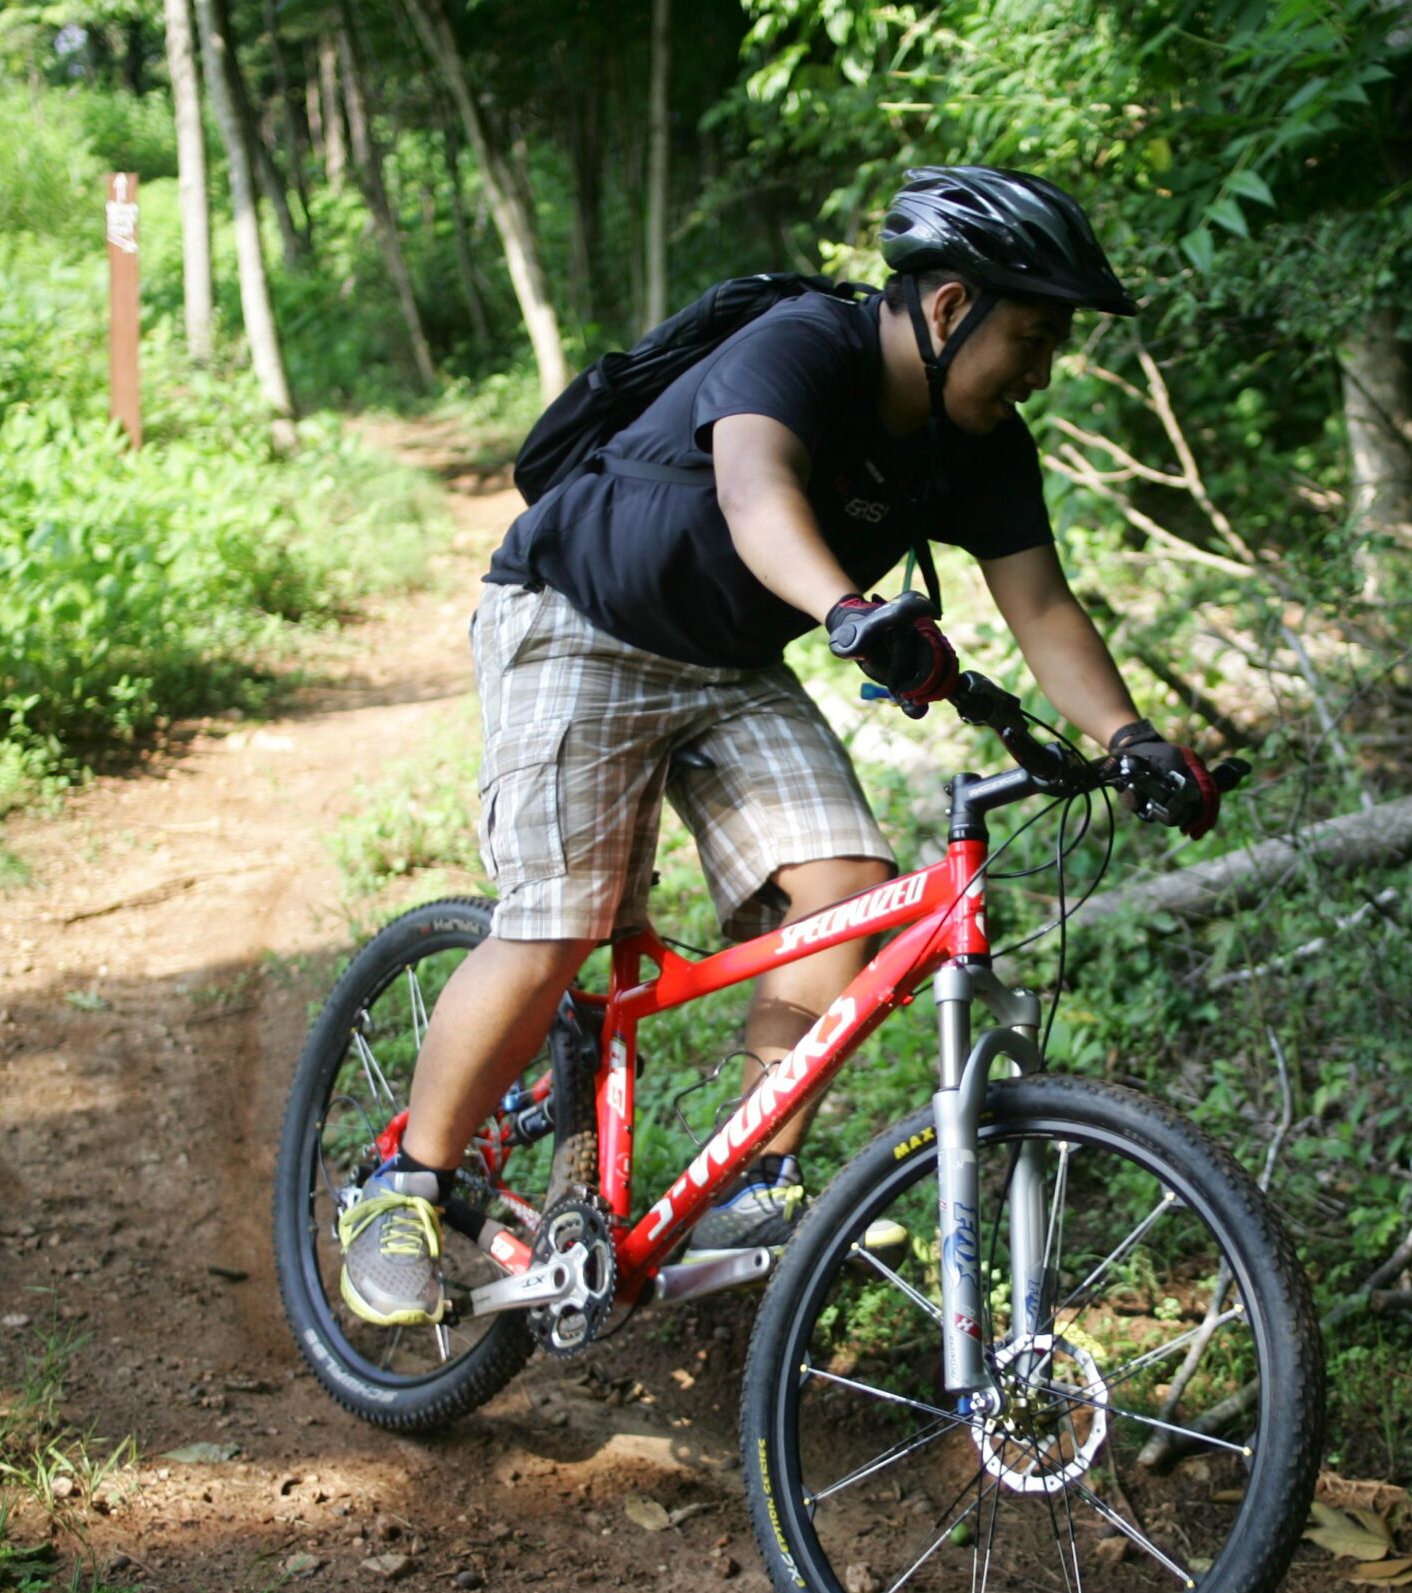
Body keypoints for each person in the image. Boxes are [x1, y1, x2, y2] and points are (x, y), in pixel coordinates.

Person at [335, 164, 1221, 1328]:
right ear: (950, 308)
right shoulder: (804, 344)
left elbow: (1042, 607)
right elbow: (757, 495)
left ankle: (753, 1184)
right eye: (1036, 336)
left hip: (729, 664)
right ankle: (403, 1183)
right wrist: (851, 614)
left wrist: (1132, 738)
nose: (1044, 370)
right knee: (564, 918)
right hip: (576, 621)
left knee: (846, 885)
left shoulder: (982, 443)